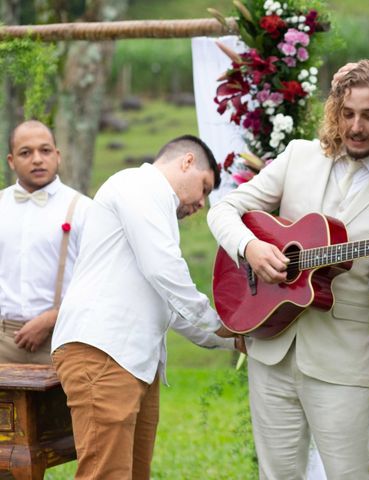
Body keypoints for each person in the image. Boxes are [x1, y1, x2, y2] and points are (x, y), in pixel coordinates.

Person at [208, 60, 369, 479]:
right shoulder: (299, 156)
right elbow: (226, 208)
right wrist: (250, 247)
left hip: (344, 359)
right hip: (272, 345)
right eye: (347, 114)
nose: (356, 126)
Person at [51, 134, 240, 479]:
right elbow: (164, 268)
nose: (202, 202)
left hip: (133, 361)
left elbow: (168, 300)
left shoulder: (157, 208)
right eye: (205, 187)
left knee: (135, 473)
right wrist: (215, 322)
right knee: (106, 474)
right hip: (103, 351)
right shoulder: (136, 184)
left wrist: (231, 339)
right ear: (186, 162)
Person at [0, 120, 91, 364]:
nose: (38, 159)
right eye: (26, 153)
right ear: (11, 161)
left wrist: (52, 318)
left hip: (63, 337)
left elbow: (99, 281)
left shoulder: (83, 209)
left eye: (45, 150)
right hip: (4, 339)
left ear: (57, 156)